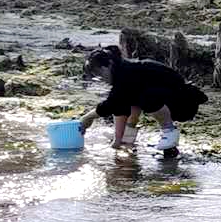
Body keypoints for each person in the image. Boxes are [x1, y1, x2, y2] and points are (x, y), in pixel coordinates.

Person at [78, 46, 207, 153]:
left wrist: (87, 118)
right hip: (168, 100)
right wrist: (119, 141)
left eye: (100, 74)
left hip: (184, 103)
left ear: (109, 64)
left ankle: (169, 131)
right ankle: (130, 138)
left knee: (146, 98)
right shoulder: (123, 72)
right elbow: (120, 108)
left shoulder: (127, 73)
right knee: (134, 98)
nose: (101, 79)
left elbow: (112, 104)